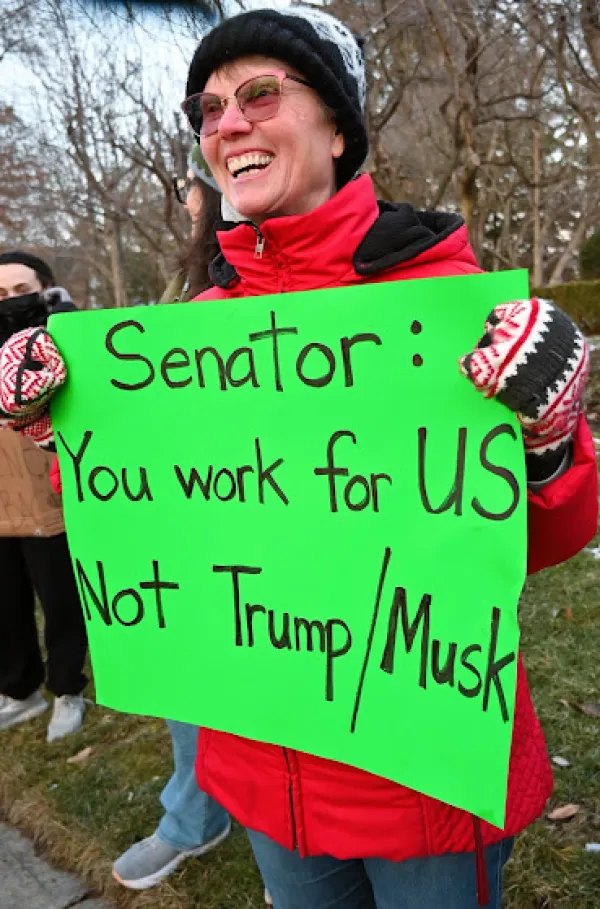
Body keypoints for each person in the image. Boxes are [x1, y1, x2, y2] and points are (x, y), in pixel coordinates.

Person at [174, 6, 598, 909]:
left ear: (338, 127)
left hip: (421, 774)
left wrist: (549, 441)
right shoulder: (191, 341)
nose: (228, 124)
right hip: (263, 767)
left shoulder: (444, 303)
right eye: (207, 109)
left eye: (259, 95)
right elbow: (153, 519)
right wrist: (65, 429)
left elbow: (549, 538)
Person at [0, 250, 88, 742]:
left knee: (60, 601)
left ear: (43, 288)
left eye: (21, 291)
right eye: (0, 294)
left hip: (47, 498)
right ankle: (19, 690)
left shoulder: (62, 338)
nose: (11, 301)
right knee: (6, 603)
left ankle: (68, 689)